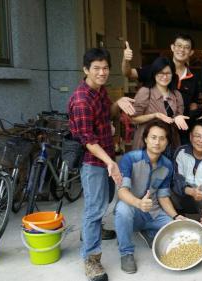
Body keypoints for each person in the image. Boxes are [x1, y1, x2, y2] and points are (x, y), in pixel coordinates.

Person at [68, 48, 135, 281]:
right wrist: (111, 163)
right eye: (96, 68)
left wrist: (119, 102)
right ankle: (91, 258)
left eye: (105, 68)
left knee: (104, 199)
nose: (102, 72)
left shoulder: (99, 91)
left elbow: (108, 114)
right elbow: (88, 141)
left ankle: (92, 231)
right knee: (94, 209)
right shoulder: (81, 99)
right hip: (93, 161)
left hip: (106, 156)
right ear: (86, 70)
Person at [115, 121, 186, 274]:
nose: (157, 142)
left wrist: (176, 216)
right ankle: (126, 252)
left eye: (162, 138)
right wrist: (138, 203)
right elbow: (122, 191)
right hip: (132, 209)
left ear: (167, 142)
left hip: (153, 212)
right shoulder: (130, 159)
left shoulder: (167, 165)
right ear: (146, 139)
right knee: (122, 209)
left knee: (174, 230)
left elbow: (163, 197)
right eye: (153, 137)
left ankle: (148, 231)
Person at [122, 34, 201, 144]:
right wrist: (126, 60)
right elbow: (128, 73)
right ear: (172, 47)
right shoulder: (156, 67)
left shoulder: (193, 78)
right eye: (179, 45)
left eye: (186, 47)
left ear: (191, 52)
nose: (182, 50)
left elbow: (193, 104)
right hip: (151, 137)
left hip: (178, 134)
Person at [130, 56, 189, 158]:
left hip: (170, 145)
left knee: (168, 172)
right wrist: (155, 115)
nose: (164, 76)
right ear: (154, 73)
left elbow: (177, 121)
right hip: (148, 145)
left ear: (173, 74)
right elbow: (133, 119)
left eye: (168, 73)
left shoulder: (176, 94)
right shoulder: (145, 92)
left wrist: (177, 118)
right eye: (160, 73)